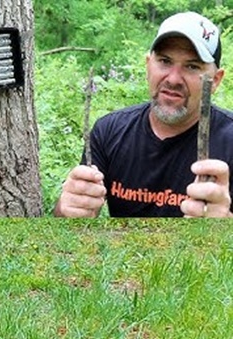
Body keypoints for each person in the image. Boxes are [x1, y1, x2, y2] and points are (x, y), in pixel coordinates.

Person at [54, 12, 233, 218]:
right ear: (148, 65)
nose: (173, 79)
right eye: (165, 61)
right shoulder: (109, 131)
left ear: (216, 80)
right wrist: (68, 209)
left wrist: (224, 228)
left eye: (192, 66)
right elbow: (72, 226)